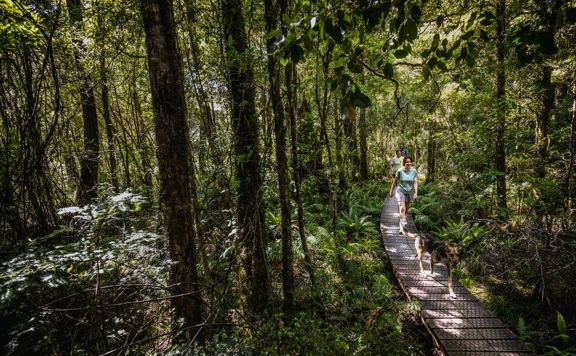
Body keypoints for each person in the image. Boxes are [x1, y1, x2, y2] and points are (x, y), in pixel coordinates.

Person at [389, 156, 418, 227]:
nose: (408, 163)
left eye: (410, 162)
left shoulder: (414, 171)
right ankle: (402, 226)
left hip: (409, 192)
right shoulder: (400, 171)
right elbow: (395, 181)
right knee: (402, 208)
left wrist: (416, 193)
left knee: (406, 210)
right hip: (400, 191)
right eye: (407, 162)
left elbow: (415, 182)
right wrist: (391, 191)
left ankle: (401, 220)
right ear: (404, 163)